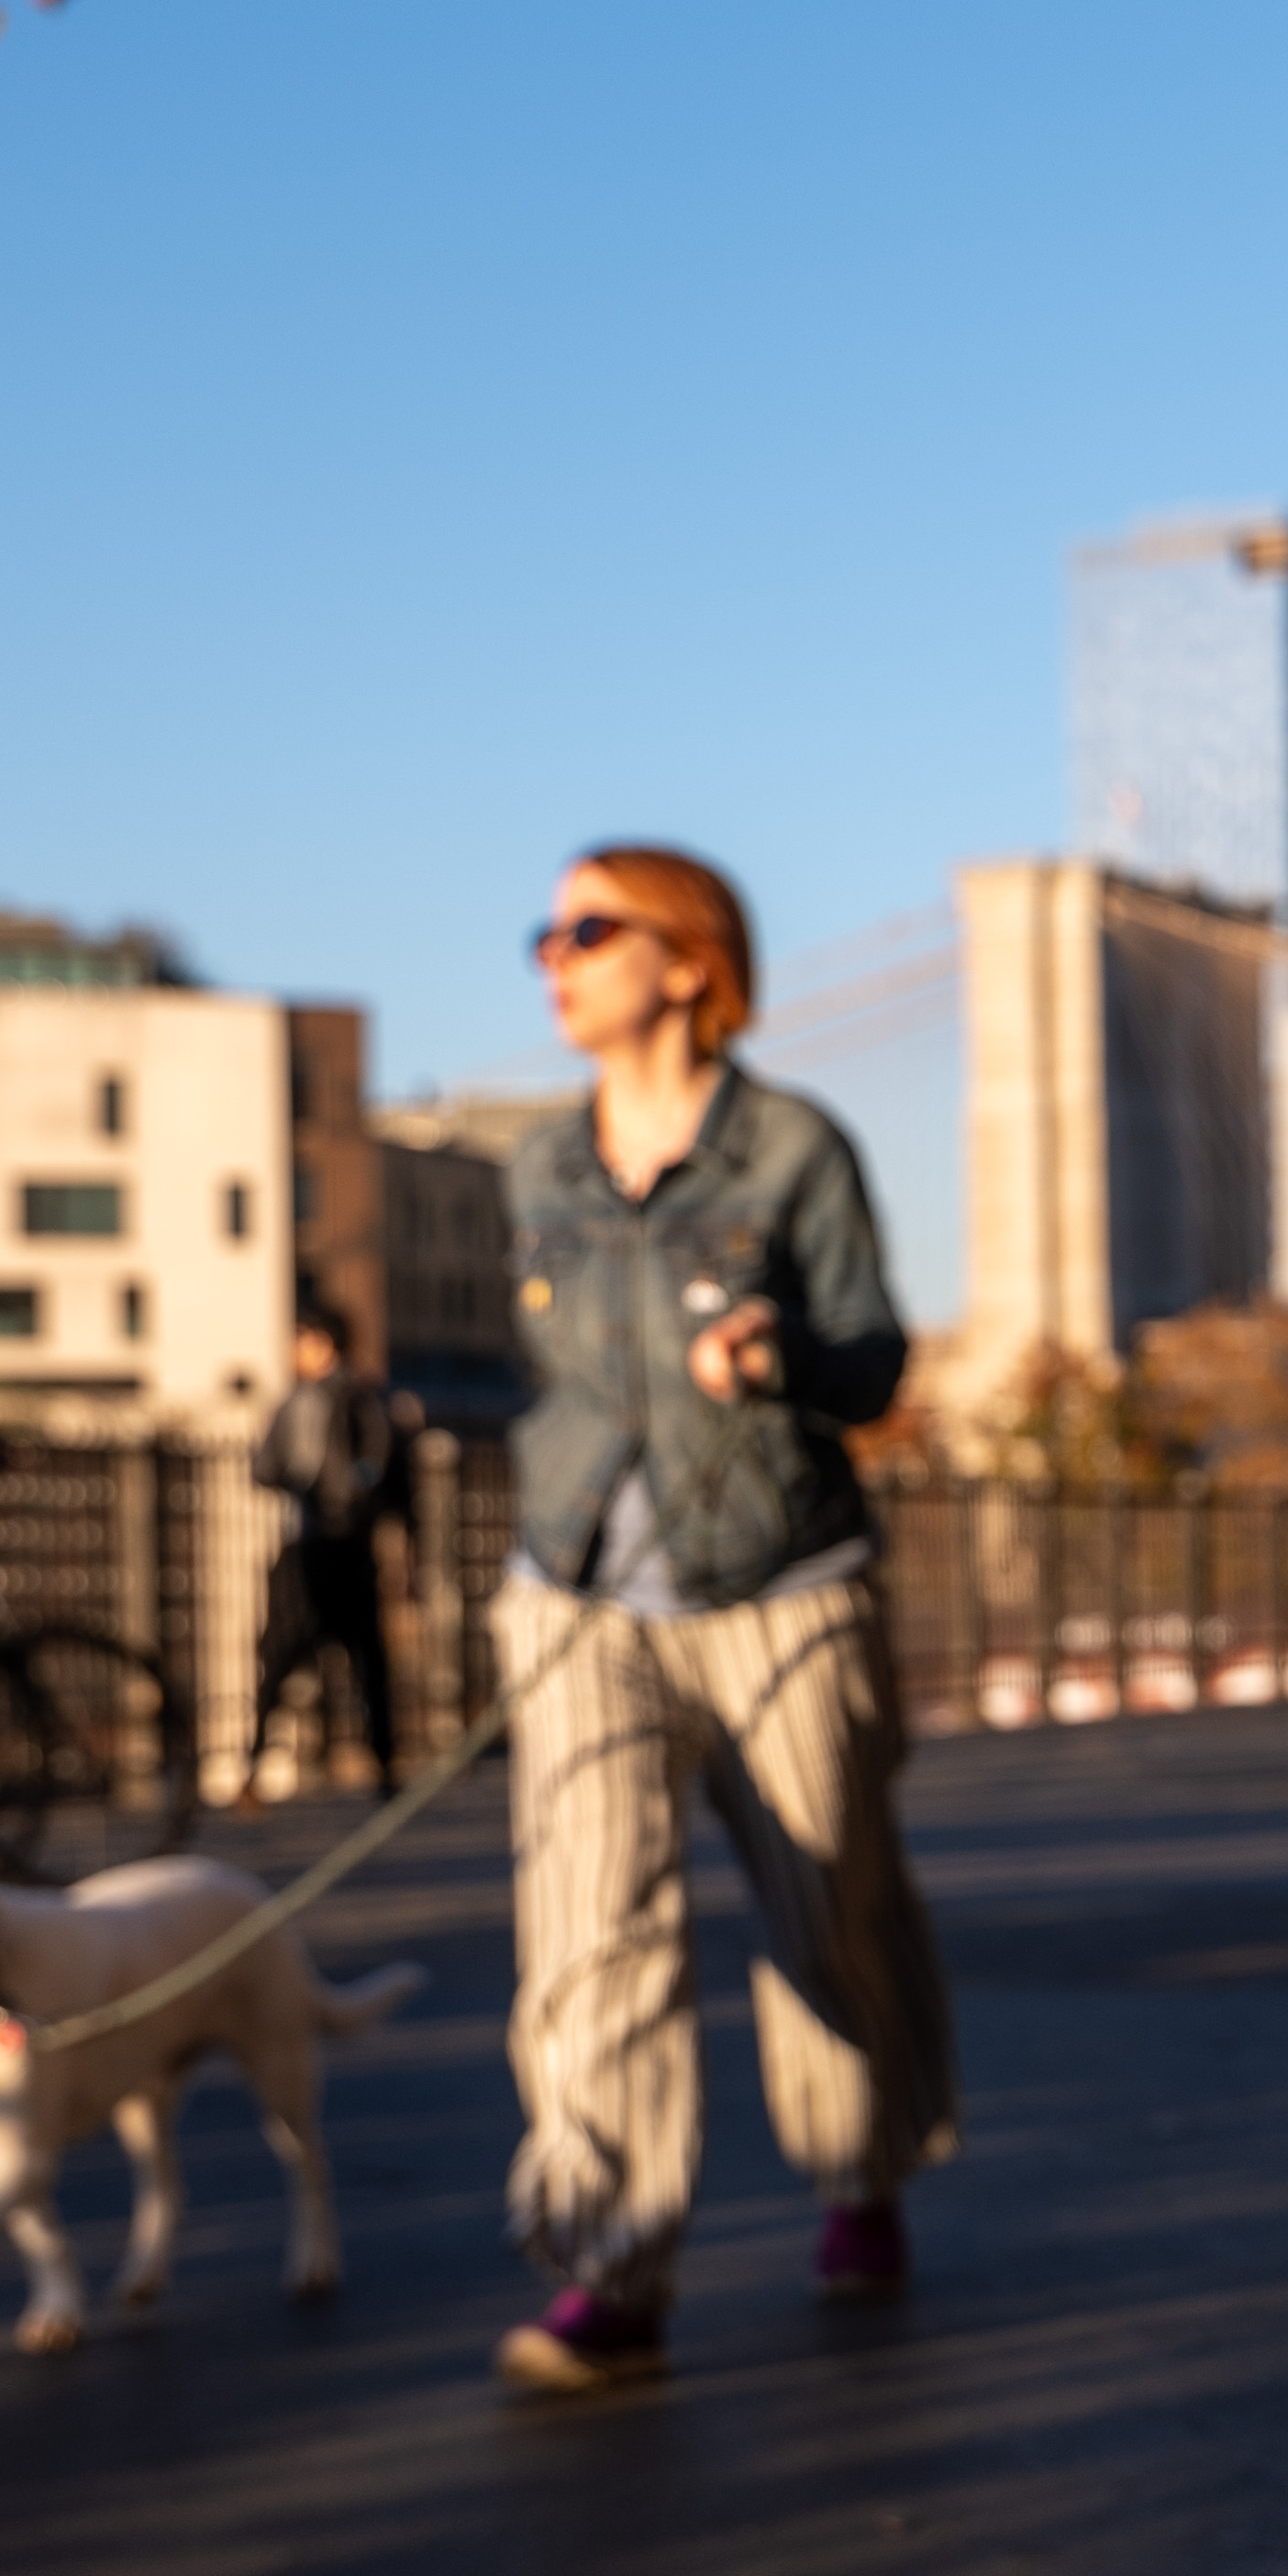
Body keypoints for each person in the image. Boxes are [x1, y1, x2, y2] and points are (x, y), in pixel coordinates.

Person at [487, 842, 954, 2393]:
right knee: (591, 1929)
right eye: (545, 934)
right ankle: (612, 2266)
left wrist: (783, 1354)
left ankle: (859, 2168)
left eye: (588, 930)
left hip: (781, 1587)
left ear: (688, 962)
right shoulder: (539, 1165)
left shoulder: (791, 1152)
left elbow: (878, 1362)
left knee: (831, 1910)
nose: (552, 956)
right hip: (576, 1600)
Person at [247, 1305, 409, 1797]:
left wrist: (348, 1499)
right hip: (309, 1544)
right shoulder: (303, 1402)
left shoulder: (357, 1399)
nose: (294, 1351)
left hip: (339, 1543)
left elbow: (376, 1466)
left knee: (359, 1658)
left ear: (322, 1342)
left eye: (301, 1340)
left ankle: (382, 1766)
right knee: (288, 1657)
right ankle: (254, 1767)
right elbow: (264, 1467)